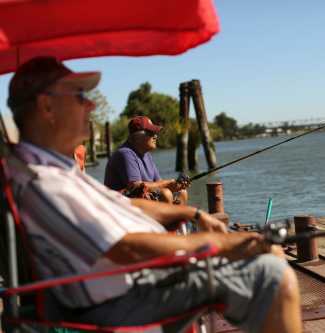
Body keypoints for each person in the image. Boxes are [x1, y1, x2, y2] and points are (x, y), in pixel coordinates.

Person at [7, 56, 301, 333]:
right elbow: (126, 248)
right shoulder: (42, 181)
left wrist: (192, 213)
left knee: (267, 252)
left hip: (133, 282)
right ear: (46, 108)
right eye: (79, 97)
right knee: (273, 276)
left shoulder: (55, 171)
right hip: (124, 299)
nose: (91, 106)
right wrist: (222, 242)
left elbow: (126, 202)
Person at [104, 116, 188, 204]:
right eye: (151, 133)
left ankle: (176, 216)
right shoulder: (125, 153)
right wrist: (168, 183)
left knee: (182, 192)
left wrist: (176, 185)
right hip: (120, 206)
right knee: (165, 194)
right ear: (136, 136)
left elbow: (158, 183)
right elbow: (136, 187)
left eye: (155, 133)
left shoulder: (146, 154)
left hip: (139, 199)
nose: (155, 136)